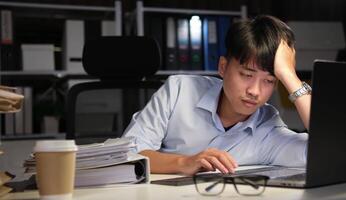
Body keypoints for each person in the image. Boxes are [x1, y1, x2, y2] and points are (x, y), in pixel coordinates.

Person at [123, 15, 311, 175]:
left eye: (269, 81)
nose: (254, 91)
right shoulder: (180, 90)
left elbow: (331, 151)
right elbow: (127, 155)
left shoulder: (269, 130)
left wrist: (289, 76)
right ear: (223, 67)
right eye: (246, 75)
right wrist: (185, 162)